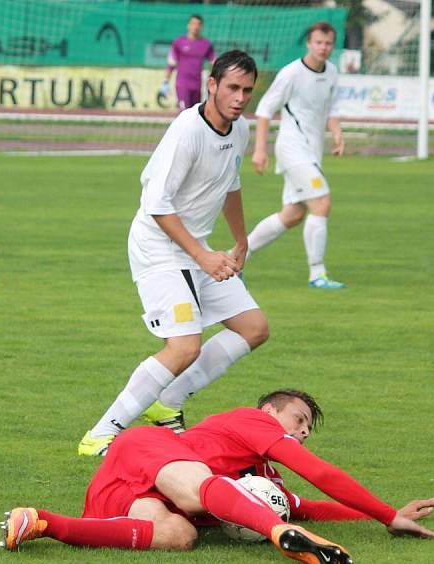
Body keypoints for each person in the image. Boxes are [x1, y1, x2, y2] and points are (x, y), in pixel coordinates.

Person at [2, 389, 434, 564]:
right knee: (199, 493)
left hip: (128, 497)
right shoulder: (252, 421)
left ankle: (40, 522)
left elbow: (309, 504)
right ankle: (278, 533)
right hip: (145, 450)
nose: (304, 430)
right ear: (271, 412)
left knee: (180, 535)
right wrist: (386, 514)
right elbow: (318, 473)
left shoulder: (264, 477)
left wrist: (382, 518)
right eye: (299, 418)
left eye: (308, 427)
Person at [78, 51, 269, 458]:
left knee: (253, 327)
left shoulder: (240, 130)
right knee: (184, 346)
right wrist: (202, 256)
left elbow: (231, 185)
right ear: (212, 85)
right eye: (232, 88)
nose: (240, 98)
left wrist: (241, 240)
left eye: (247, 90)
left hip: (196, 246)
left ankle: (168, 401)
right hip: (159, 247)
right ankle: (101, 432)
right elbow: (157, 205)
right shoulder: (187, 130)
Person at [245, 21, 347, 289]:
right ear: (309, 44)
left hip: (312, 152)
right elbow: (265, 109)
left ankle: (239, 256)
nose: (323, 48)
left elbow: (332, 108)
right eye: (318, 43)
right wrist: (259, 149)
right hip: (292, 149)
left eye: (328, 44)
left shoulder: (333, 72)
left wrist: (336, 132)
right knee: (322, 201)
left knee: (292, 215)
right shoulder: (291, 73)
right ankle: (318, 273)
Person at [160, 14, 216, 110]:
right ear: (188, 25)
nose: (195, 26)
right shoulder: (179, 42)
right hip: (182, 84)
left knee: (195, 114)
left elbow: (215, 63)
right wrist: (166, 82)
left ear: (201, 27)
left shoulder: (206, 44)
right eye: (193, 23)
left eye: (198, 24)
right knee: (184, 113)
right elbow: (171, 64)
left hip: (198, 85)